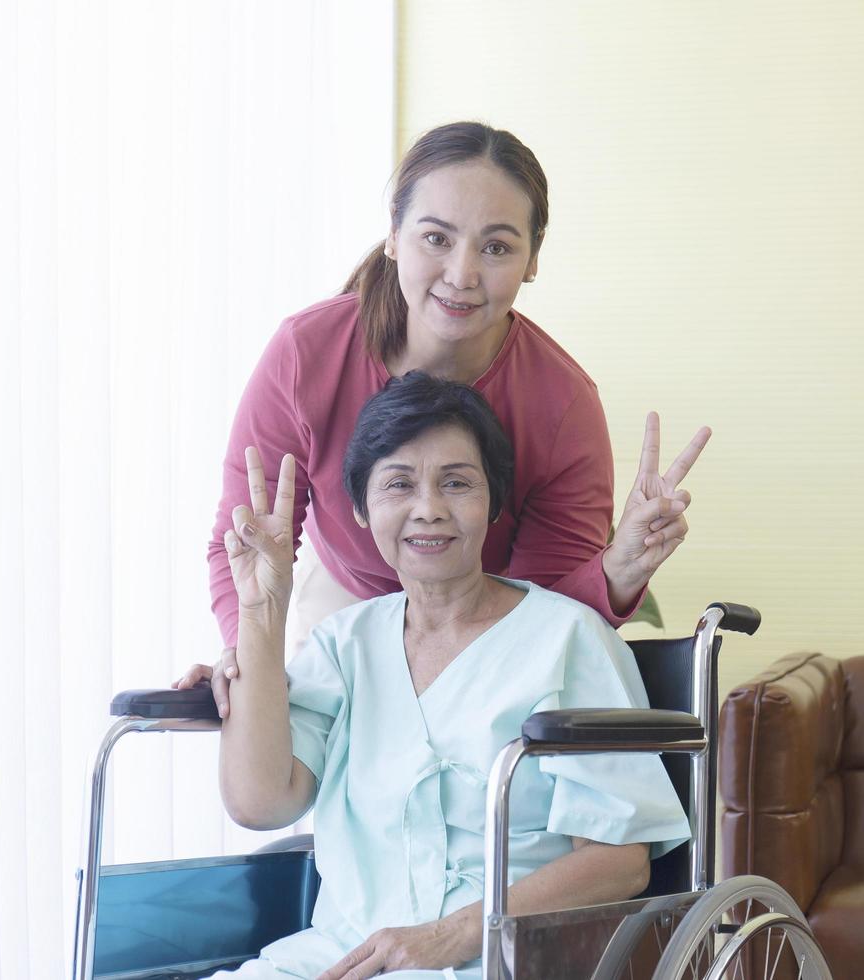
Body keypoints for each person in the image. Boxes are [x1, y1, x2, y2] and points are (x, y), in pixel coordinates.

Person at [183, 373, 689, 979]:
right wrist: (262, 609)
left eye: (457, 482)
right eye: (399, 483)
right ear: (362, 511)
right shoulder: (345, 646)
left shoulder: (568, 640)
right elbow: (262, 803)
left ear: (493, 503)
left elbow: (619, 861)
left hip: (498, 958)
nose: (429, 508)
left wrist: (448, 938)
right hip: (342, 954)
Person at [198, 121, 710, 717]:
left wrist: (617, 571)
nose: (462, 275)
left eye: (496, 247)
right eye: (436, 238)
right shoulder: (305, 354)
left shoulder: (561, 404)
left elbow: (547, 614)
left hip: (486, 622)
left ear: (533, 259)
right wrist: (246, 654)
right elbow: (248, 542)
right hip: (349, 597)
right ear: (393, 235)